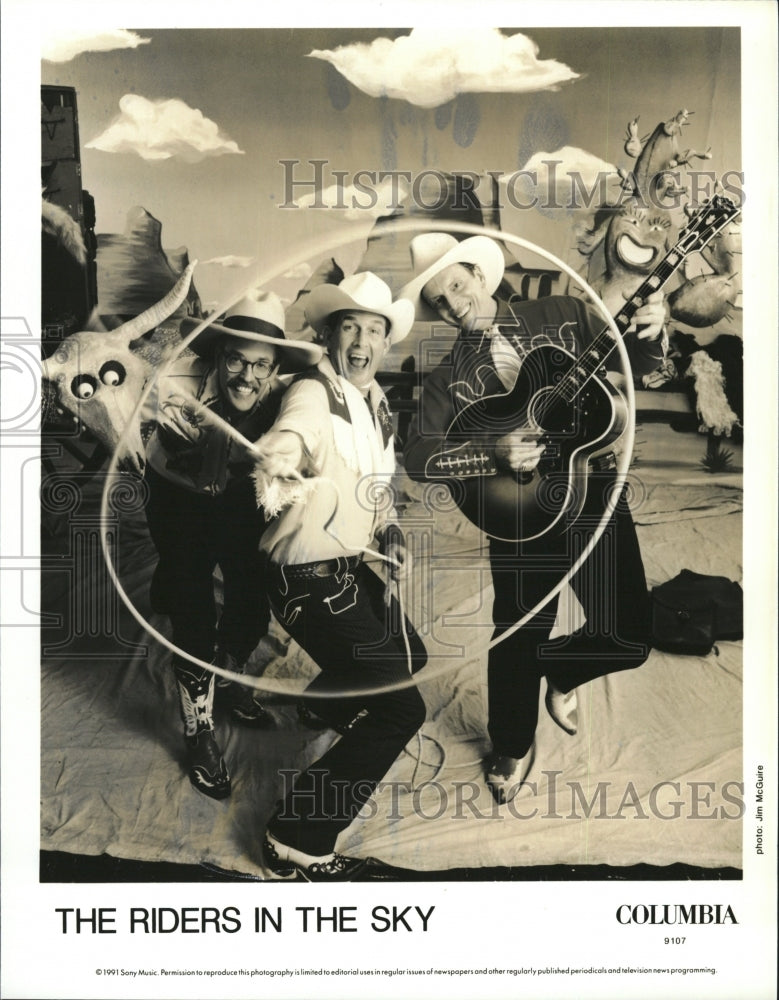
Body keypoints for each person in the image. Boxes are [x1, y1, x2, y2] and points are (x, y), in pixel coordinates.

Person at [400, 233, 668, 804]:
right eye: (438, 299)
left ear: (478, 274)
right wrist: (490, 453)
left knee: (628, 635)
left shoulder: (564, 313)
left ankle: (560, 674)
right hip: (518, 513)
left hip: (593, 491)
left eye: (455, 284)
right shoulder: (447, 378)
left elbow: (637, 367)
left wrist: (651, 328)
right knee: (520, 623)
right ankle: (512, 742)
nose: (452, 303)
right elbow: (419, 458)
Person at [252, 272, 427, 880]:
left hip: (352, 565)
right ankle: (294, 836)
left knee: (414, 653)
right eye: (348, 326)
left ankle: (320, 708)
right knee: (401, 712)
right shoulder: (310, 390)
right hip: (306, 578)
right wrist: (279, 460)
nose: (361, 340)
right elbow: (289, 437)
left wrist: (391, 530)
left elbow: (381, 491)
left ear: (386, 343)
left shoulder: (377, 400)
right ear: (329, 335)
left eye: (373, 330)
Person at [143, 292, 323, 800]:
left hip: (237, 499)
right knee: (191, 605)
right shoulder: (178, 380)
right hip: (175, 497)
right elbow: (131, 396)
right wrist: (155, 420)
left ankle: (231, 675)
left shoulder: (288, 397)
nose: (247, 376)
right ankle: (198, 730)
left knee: (251, 594)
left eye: (260, 365)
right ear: (218, 358)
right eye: (236, 360)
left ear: (275, 370)